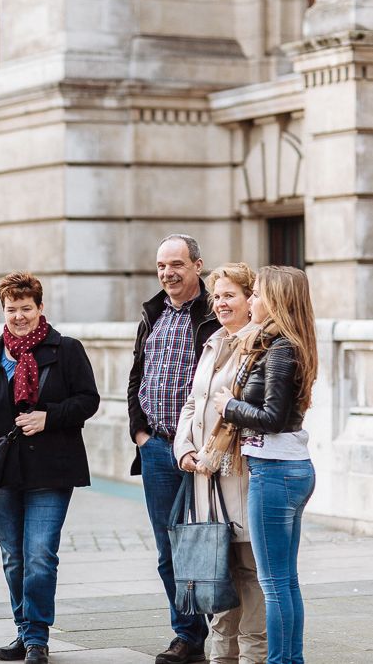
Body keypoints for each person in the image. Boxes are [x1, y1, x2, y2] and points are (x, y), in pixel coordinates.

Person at [0, 271, 99, 664]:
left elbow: (88, 400)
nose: (18, 316)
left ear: (40, 308)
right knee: (13, 556)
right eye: (11, 309)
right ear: (3, 310)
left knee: (39, 554)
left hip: (51, 470)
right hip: (1, 471)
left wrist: (47, 417)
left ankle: (37, 636)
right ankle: (23, 632)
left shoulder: (66, 349)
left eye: (25, 308)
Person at [213, 266, 317, 664]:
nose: (251, 300)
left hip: (274, 471)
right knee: (284, 581)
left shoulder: (280, 348)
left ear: (275, 300)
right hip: (289, 469)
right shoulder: (285, 343)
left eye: (256, 294)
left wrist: (229, 406)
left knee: (273, 583)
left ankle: (280, 660)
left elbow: (272, 416)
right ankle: (291, 659)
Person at [127, 234, 220, 664]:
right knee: (169, 551)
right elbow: (136, 377)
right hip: (158, 448)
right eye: (162, 265)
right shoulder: (152, 313)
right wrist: (141, 435)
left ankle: (221, 633)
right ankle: (187, 635)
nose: (168, 273)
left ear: (197, 266)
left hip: (203, 454)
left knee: (209, 543)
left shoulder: (214, 314)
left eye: (177, 264)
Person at [174, 263, 266, 663]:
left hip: (239, 476)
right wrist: (184, 450)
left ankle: (252, 657)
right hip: (203, 478)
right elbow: (193, 403)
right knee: (216, 572)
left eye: (230, 294)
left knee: (249, 575)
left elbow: (244, 411)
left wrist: (210, 456)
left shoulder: (259, 345)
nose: (221, 302)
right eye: (217, 296)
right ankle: (219, 657)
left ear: (250, 300)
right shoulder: (212, 341)